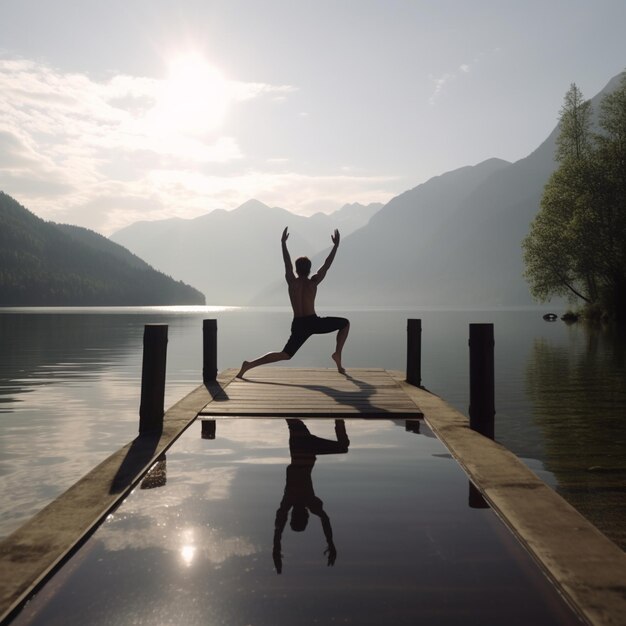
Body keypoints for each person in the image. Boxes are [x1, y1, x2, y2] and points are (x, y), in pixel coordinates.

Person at [236, 227, 349, 378]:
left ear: (296, 270)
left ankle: (249, 365)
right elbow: (326, 265)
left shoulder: (292, 282)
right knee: (345, 323)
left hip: (298, 324)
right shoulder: (313, 283)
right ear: (309, 269)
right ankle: (337, 354)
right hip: (313, 322)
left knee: (286, 354)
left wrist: (283, 243)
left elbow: (287, 263)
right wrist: (336, 246)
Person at [272, 419, 350, 573]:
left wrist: (331, 542)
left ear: (305, 516)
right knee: (294, 422)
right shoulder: (291, 501)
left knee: (343, 447)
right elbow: (278, 528)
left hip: (304, 446)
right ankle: (337, 418)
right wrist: (276, 548)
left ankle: (339, 419)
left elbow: (325, 519)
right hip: (301, 444)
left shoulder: (305, 501)